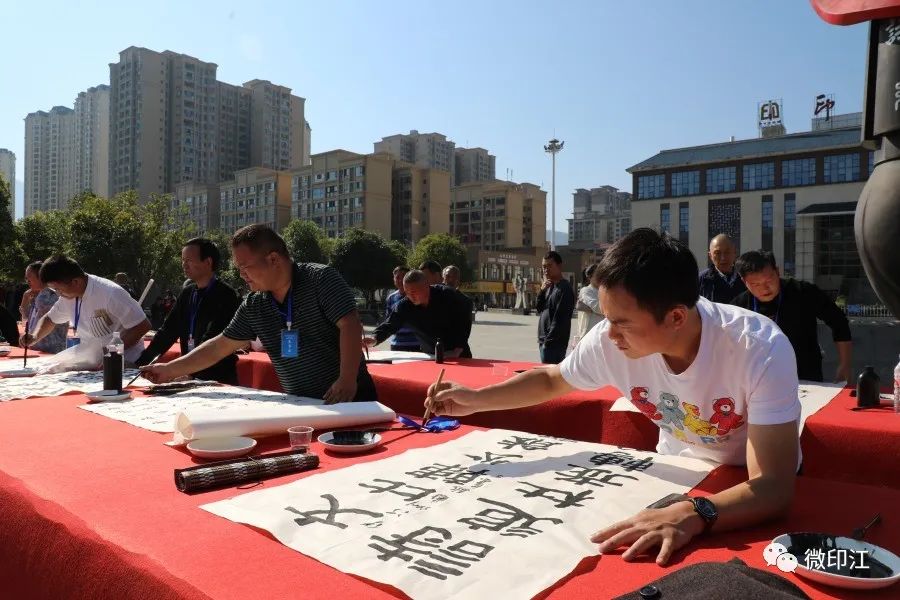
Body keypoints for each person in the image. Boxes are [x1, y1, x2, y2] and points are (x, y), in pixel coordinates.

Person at [424, 228, 801, 566]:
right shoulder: (611, 339)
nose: (610, 335)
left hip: (740, 493)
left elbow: (772, 486)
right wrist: (473, 400)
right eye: (607, 319)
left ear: (675, 318)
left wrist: (695, 513)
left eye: (622, 323)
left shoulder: (758, 348)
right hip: (678, 473)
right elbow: (553, 380)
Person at [140, 224, 376, 403]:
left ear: (273, 259)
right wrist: (168, 370)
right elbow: (219, 346)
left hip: (350, 401)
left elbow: (350, 325)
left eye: (245, 266)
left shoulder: (320, 279)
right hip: (302, 404)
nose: (241, 274)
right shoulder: (255, 303)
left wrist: (346, 379)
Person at [731, 250, 852, 383]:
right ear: (744, 281)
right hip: (758, 379)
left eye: (769, 280)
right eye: (756, 284)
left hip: (805, 376)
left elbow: (839, 322)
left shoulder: (804, 292)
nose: (765, 288)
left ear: (777, 271)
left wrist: (845, 364)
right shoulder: (737, 307)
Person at [135, 238, 242, 384]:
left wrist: (188, 372)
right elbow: (167, 332)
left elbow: (213, 340)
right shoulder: (187, 293)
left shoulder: (226, 295)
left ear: (208, 262)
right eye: (182, 260)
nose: (184, 265)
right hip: (188, 375)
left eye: (189, 260)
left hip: (217, 378)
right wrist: (140, 364)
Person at [21, 255, 151, 363]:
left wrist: (112, 352)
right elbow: (50, 318)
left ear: (76, 282)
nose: (58, 294)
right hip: (92, 358)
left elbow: (142, 325)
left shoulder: (111, 293)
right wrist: (34, 336)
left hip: (123, 360)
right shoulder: (68, 296)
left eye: (58, 289)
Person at [365, 270, 473, 358]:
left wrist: (458, 348)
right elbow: (391, 323)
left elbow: (465, 312)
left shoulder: (447, 295)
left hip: (457, 354)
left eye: (414, 292)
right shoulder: (405, 305)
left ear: (427, 287)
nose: (410, 296)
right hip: (430, 354)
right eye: (407, 292)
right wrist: (374, 338)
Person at [535, 250, 575, 364]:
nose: (546, 270)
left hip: (554, 345)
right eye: (544, 267)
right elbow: (539, 309)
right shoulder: (549, 286)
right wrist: (542, 291)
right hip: (544, 341)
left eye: (549, 266)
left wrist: (548, 342)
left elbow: (560, 319)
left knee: (550, 379)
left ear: (559, 266)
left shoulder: (564, 289)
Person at [19, 261, 67, 353]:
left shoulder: (47, 296)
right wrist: (25, 299)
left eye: (29, 278)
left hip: (49, 352)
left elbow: (26, 322)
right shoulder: (38, 295)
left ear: (41, 277)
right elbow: (26, 323)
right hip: (42, 350)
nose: (27, 281)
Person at [698, 234, 747, 303]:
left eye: (727, 252)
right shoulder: (700, 281)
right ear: (710, 256)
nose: (723, 258)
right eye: (717, 253)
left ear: (735, 253)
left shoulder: (746, 279)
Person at [384, 266, 421, 352]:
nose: (400, 280)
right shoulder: (391, 298)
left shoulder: (417, 295)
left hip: (417, 344)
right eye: (397, 277)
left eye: (403, 277)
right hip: (396, 344)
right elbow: (388, 321)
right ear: (393, 279)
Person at [575, 264, 604, 340]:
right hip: (588, 333)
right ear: (589, 277)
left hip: (600, 332)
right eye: (597, 275)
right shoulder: (586, 290)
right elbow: (598, 308)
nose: (600, 278)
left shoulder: (603, 291)